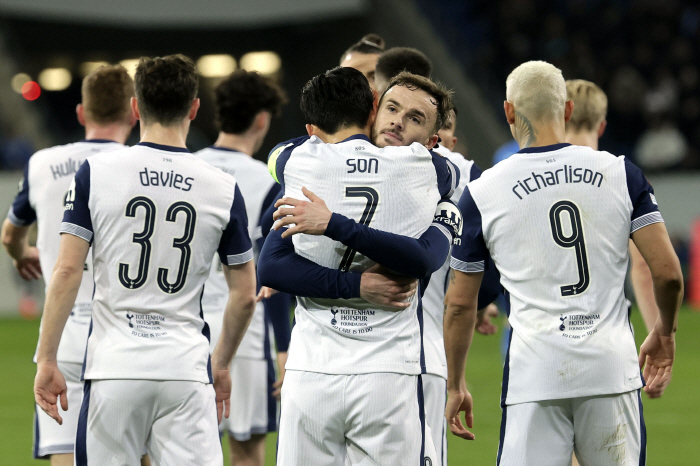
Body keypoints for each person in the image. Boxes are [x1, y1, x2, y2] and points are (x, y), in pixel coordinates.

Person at [444, 61, 683, 465]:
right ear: (568, 110)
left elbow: (460, 304)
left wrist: (455, 384)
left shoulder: (482, 192)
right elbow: (669, 274)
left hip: (533, 376)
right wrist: (665, 331)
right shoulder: (622, 174)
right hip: (611, 370)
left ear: (508, 112)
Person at [33, 54, 257, 466]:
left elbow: (66, 270)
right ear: (194, 107)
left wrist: (47, 358)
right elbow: (244, 295)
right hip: (186, 369)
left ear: (136, 107)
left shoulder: (95, 173)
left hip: (115, 368)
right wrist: (221, 364)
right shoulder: (224, 188)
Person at [259, 68, 459, 465]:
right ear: (373, 110)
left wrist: (332, 222)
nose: (398, 122)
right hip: (385, 370)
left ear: (433, 140)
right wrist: (358, 285)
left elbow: (279, 158)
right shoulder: (435, 175)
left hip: (328, 370)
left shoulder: (300, 160)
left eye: (415, 118)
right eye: (392, 108)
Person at [1, 65, 136, 466]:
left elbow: (10, 234)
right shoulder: (141, 166)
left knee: (64, 456)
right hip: (128, 331)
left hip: (65, 332)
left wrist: (21, 253)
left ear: (81, 113)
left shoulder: (42, 163)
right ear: (134, 112)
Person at [195, 69, 288, 466]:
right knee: (247, 453)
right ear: (262, 119)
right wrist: (284, 347)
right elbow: (275, 269)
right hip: (247, 335)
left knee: (182, 449)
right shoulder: (268, 180)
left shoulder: (189, 167)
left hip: (188, 328)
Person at [564, 78, 663, 359]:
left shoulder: (529, 180)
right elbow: (644, 267)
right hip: (608, 339)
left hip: (543, 338)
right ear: (602, 125)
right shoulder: (623, 177)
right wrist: (660, 331)